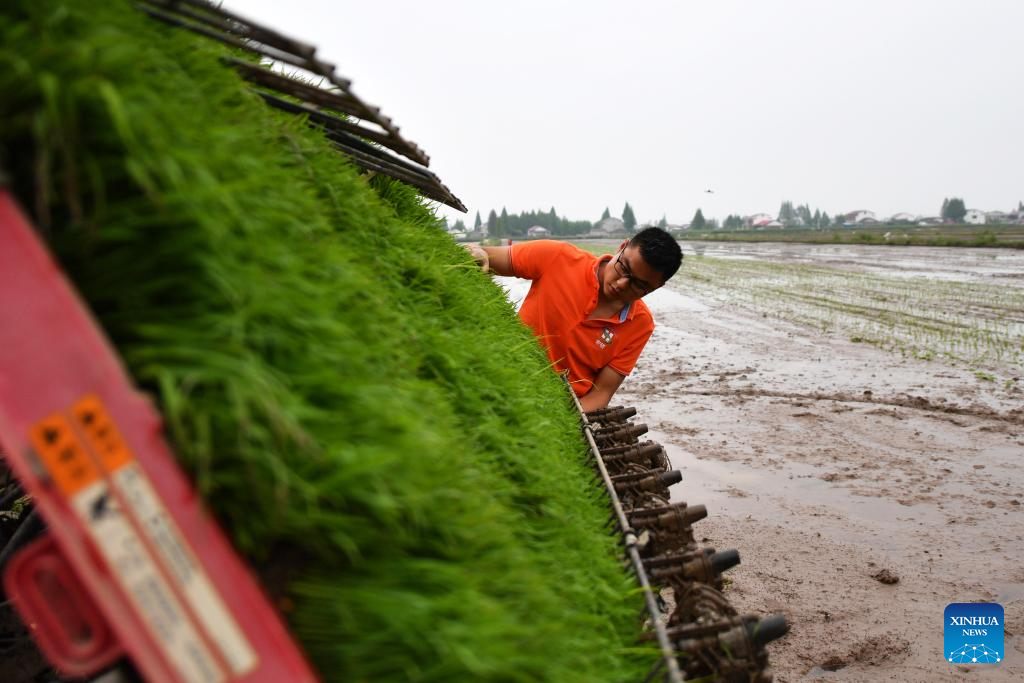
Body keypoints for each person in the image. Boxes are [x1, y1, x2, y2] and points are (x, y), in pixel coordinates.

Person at [467, 227, 682, 411]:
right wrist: (478, 254)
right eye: (623, 267)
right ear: (622, 247)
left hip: (560, 402)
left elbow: (601, 394)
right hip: (509, 367)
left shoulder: (640, 324)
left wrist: (562, 417)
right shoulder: (558, 257)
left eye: (638, 286)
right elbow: (485, 256)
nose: (621, 284)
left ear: (656, 287)